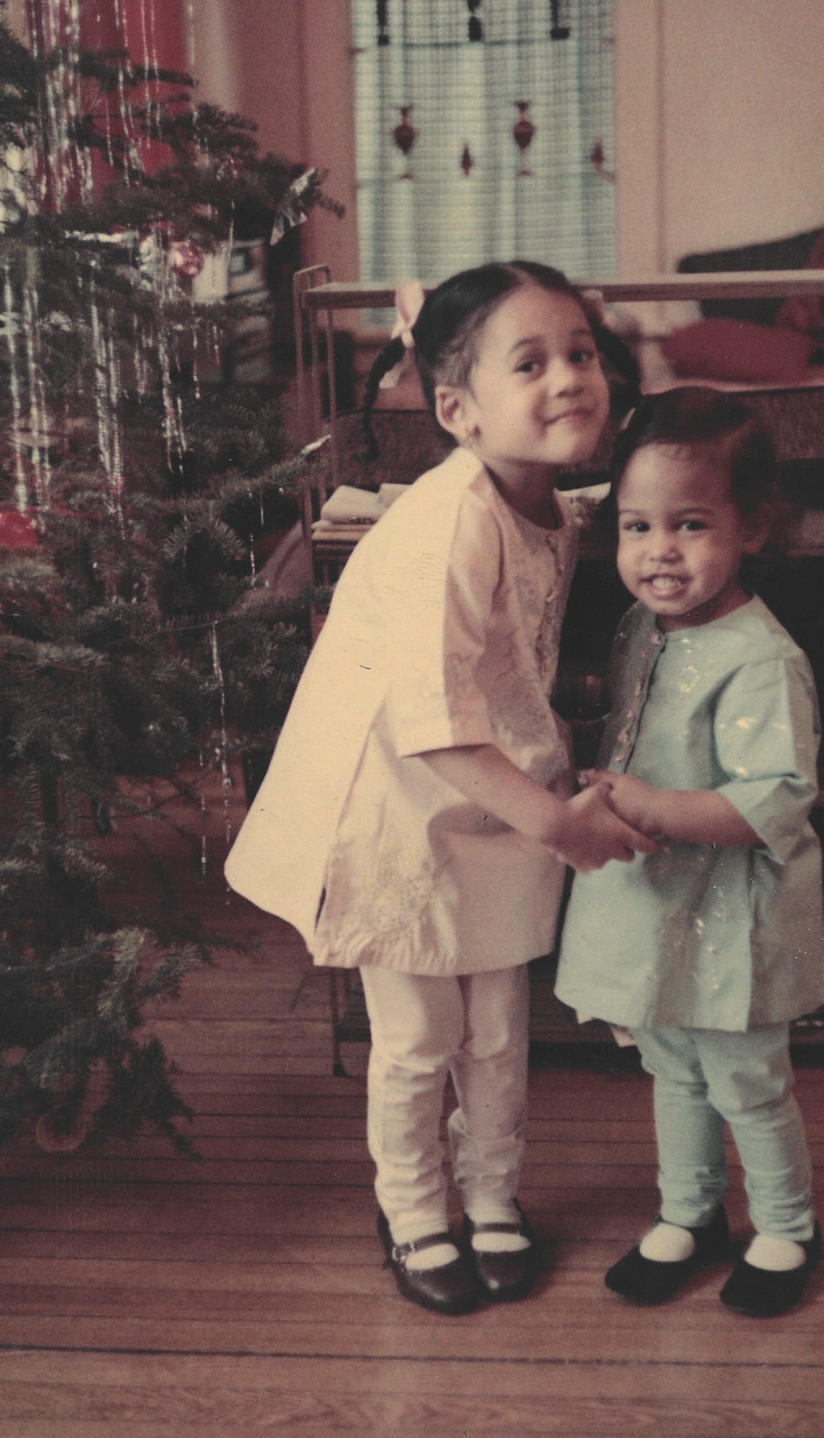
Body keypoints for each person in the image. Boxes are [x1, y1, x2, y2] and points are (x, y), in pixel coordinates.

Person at [225, 260, 652, 1316]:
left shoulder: (543, 498)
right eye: (532, 362)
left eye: (581, 353)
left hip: (496, 803)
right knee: (419, 1038)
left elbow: (563, 548)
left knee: (501, 1028)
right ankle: (416, 1209)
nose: (569, 379)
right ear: (457, 412)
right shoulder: (446, 524)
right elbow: (428, 725)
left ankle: (494, 1193)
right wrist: (563, 825)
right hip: (401, 816)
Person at [555, 386, 824, 1318]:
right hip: (659, 903)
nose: (658, 552)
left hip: (730, 917)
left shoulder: (762, 656)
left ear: (752, 527)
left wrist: (647, 802)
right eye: (636, 525)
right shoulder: (644, 627)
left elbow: (774, 799)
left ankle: (788, 1226)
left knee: (746, 1077)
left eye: (690, 524)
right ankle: (690, 1212)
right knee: (668, 1062)